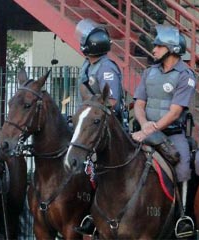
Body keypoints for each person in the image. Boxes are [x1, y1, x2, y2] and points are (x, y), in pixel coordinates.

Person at [131, 25, 196, 238]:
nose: (154, 50)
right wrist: (144, 125)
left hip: (172, 134)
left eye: (159, 46)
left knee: (185, 166)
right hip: (145, 130)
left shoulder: (186, 75)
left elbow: (176, 112)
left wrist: (153, 128)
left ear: (172, 49)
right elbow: (139, 104)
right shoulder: (149, 72)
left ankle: (184, 217)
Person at [73, 18, 125, 236]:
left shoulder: (106, 68)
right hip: (87, 125)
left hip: (106, 130)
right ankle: (85, 213)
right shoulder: (88, 64)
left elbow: (111, 102)